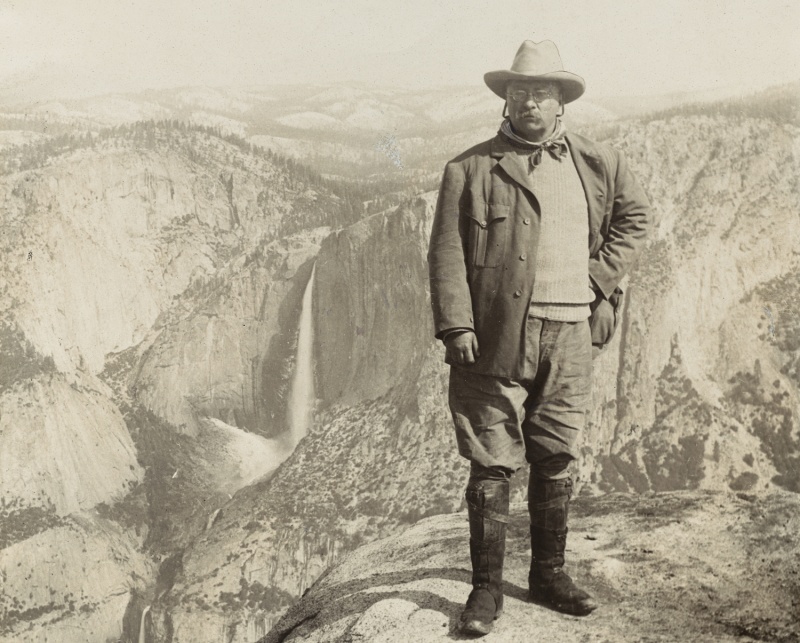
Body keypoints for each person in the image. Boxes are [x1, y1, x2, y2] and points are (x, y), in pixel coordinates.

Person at [427, 40, 652, 635]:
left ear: (561, 103)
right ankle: (485, 590)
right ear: (506, 101)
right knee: (491, 461)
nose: (530, 102)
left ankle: (548, 575)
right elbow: (446, 253)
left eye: (542, 93)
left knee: (555, 454)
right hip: (495, 336)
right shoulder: (469, 169)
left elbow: (635, 220)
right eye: (520, 92)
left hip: (572, 332)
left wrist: (597, 280)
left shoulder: (598, 162)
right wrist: (456, 324)